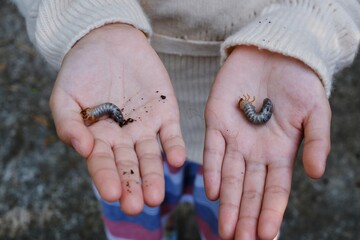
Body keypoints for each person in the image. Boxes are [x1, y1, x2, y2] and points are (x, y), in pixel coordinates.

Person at [12, 0, 360, 239]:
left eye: (255, 110)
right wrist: (85, 19)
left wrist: (309, 29)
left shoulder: (250, 114)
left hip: (233, 147)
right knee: (134, 206)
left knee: (234, 220)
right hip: (139, 141)